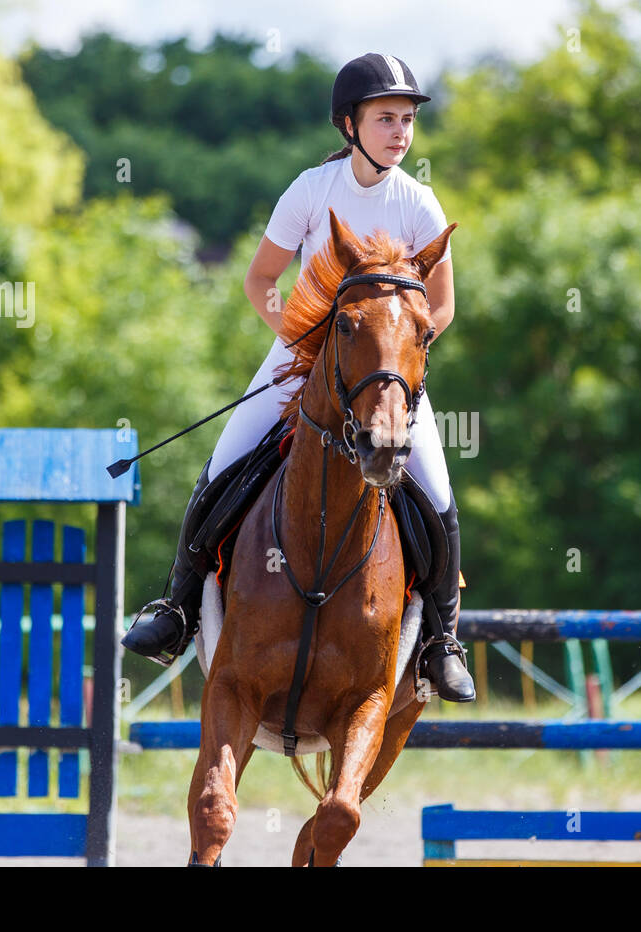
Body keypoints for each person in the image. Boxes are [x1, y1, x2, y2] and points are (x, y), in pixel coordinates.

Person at [122, 53, 476, 702]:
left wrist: (397, 360)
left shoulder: (420, 203)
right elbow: (260, 279)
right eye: (386, 119)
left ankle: (442, 642)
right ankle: (176, 609)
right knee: (222, 464)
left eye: (407, 121)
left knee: (438, 493)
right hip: (300, 366)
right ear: (349, 123)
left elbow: (443, 304)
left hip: (387, 384)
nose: (400, 132)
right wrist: (300, 342)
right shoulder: (312, 191)